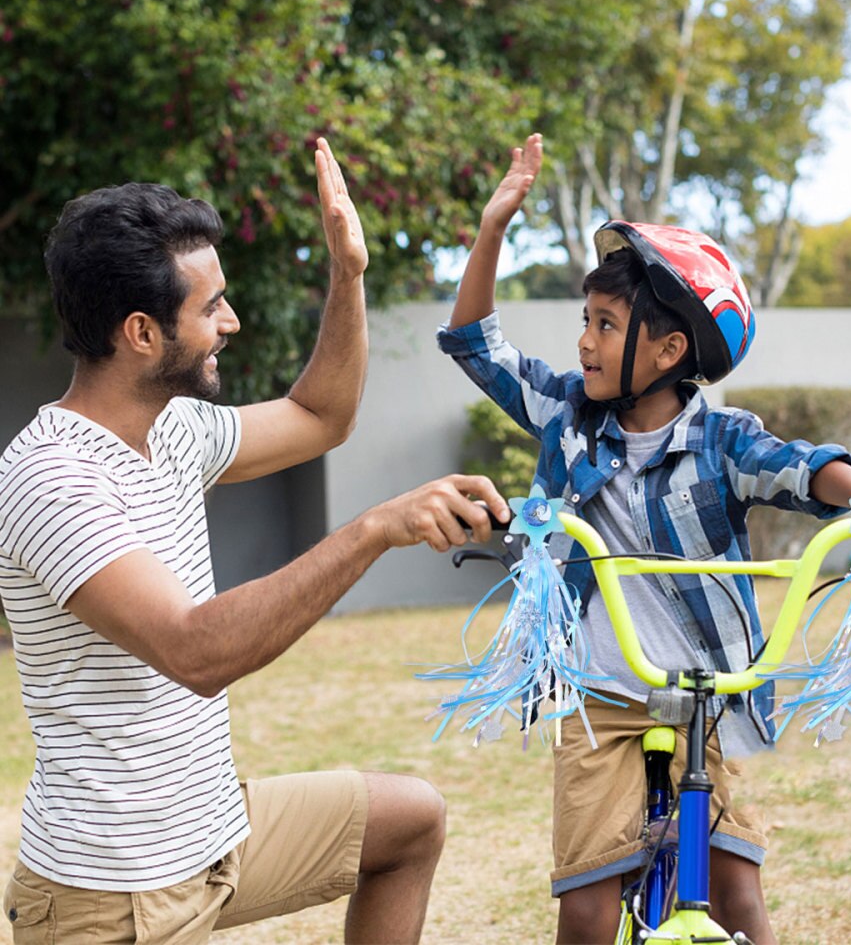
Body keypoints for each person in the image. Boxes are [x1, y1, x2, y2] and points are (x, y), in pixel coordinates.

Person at [437, 133, 851, 944]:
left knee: (737, 898)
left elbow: (805, 468)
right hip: (601, 691)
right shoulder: (569, 416)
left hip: (710, 696)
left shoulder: (723, 441)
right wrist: (495, 227)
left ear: (670, 349)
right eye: (586, 321)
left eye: (605, 325)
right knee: (584, 908)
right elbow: (478, 346)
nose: (583, 342)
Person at [0, 138, 509, 945]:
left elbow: (321, 417)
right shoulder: (52, 480)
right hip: (115, 895)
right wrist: (374, 529)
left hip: (215, 835)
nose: (229, 323)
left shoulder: (174, 431)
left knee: (411, 822)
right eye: (210, 308)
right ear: (139, 331)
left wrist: (349, 275)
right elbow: (196, 652)